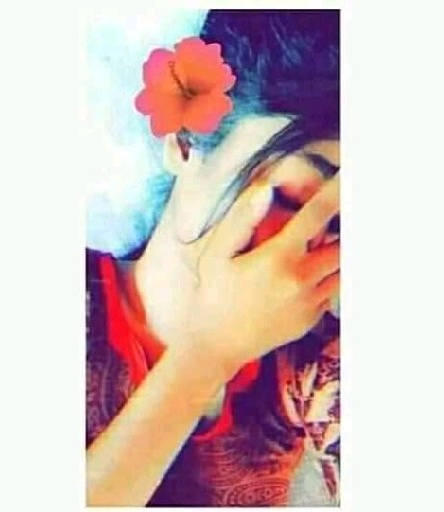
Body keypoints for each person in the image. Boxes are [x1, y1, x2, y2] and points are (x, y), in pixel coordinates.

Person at [86, 9, 340, 506]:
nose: (315, 248)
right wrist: (207, 353)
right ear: (184, 143)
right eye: (296, 198)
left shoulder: (311, 365)